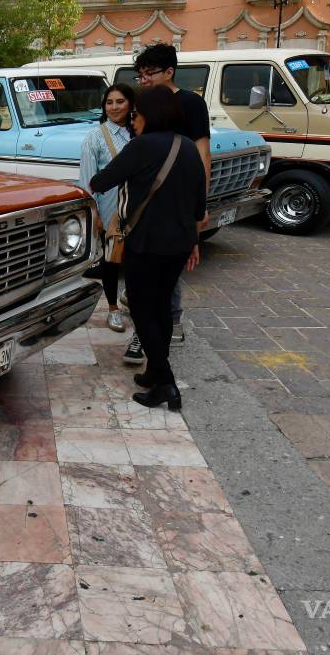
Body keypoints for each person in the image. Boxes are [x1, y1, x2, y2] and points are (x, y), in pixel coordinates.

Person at [90, 87, 206, 411]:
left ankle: (165, 382)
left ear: (149, 115)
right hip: (180, 243)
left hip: (147, 243)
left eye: (136, 114)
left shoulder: (141, 146)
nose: (132, 120)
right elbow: (199, 204)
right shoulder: (187, 147)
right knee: (161, 307)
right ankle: (154, 372)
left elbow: (101, 181)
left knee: (142, 309)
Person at [131, 44, 210, 357]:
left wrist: (200, 205)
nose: (144, 79)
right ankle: (155, 331)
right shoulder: (143, 105)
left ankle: (158, 332)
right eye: (141, 75)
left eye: (149, 73)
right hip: (145, 203)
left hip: (175, 202)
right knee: (148, 271)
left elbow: (203, 152)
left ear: (169, 72)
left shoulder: (190, 103)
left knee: (165, 270)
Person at [79, 84, 136, 332]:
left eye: (120, 101)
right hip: (110, 209)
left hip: (138, 207)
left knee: (135, 258)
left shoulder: (139, 132)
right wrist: (95, 215)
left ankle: (131, 296)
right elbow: (87, 179)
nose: (114, 107)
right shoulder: (96, 136)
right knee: (112, 260)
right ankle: (113, 309)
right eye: (109, 102)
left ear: (131, 104)